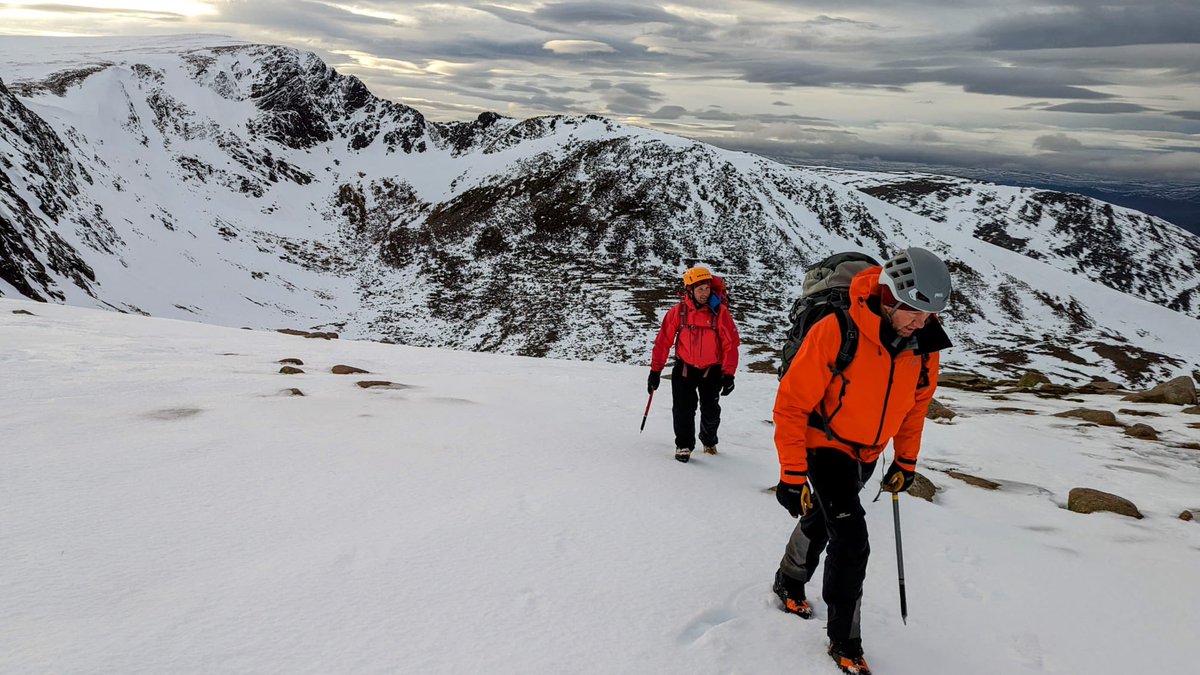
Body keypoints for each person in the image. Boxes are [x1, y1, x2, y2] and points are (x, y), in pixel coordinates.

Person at [771, 247, 953, 675]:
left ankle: (788, 579)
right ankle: (845, 642)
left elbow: (914, 408)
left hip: (868, 451)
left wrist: (905, 462)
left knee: (824, 520)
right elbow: (793, 405)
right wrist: (792, 472)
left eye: (929, 315)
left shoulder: (925, 344)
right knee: (852, 540)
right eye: (912, 311)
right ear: (888, 296)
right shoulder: (837, 329)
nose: (920, 323)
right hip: (825, 444)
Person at [648, 266, 741, 463]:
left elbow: (731, 345)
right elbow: (663, 341)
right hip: (684, 368)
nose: (704, 293)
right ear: (689, 290)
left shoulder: (720, 313)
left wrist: (729, 374)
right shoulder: (678, 312)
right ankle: (683, 445)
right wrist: (655, 371)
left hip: (712, 370)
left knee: (710, 410)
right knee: (683, 409)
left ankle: (709, 440)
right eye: (700, 289)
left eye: (707, 289)